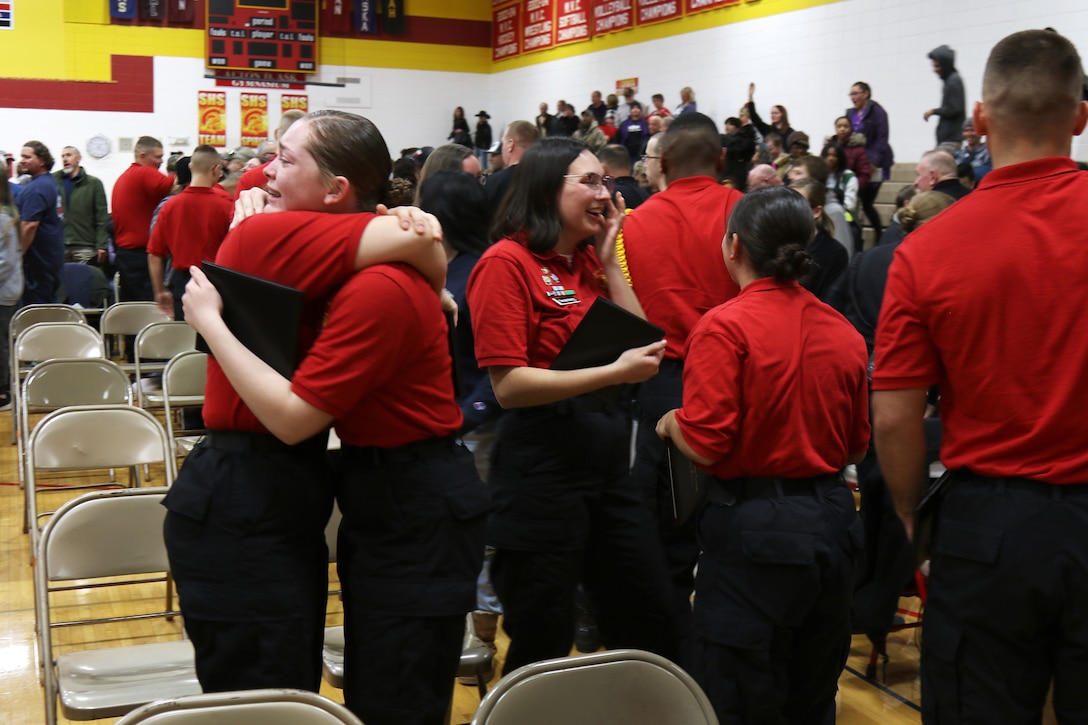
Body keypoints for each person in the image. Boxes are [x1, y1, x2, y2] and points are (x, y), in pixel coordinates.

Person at [162, 110, 449, 702]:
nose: (266, 170)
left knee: (282, 690)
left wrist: (416, 239)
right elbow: (425, 246)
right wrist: (209, 323)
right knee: (263, 697)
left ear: (336, 189)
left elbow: (424, 245)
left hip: (281, 482)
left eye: (286, 159)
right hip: (245, 483)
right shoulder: (261, 232)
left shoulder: (290, 237)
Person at [873, 29, 1088, 723]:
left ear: (980, 121)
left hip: (987, 526)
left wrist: (911, 513)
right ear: (1080, 117)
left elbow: (896, 415)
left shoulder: (927, 249)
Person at [657, 185, 868, 725]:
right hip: (832, 521)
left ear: (732, 247)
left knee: (738, 699)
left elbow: (707, 441)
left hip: (757, 533)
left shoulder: (725, 327)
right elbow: (855, 445)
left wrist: (670, 422)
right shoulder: (843, 333)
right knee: (814, 694)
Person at [467, 136, 679, 675]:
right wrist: (612, 373)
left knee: (651, 621)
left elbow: (646, 343)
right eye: (588, 180)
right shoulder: (505, 262)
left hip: (608, 471)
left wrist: (610, 261)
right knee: (544, 635)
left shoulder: (583, 262)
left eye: (605, 181)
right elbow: (508, 384)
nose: (604, 193)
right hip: (542, 473)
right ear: (544, 188)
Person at [617, 112, 744, 669]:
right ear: (721, 160)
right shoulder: (746, 211)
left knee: (667, 540)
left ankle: (667, 670)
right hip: (738, 383)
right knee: (732, 530)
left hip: (665, 389)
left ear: (660, 164)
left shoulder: (632, 225)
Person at [147, 145, 233, 320]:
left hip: (183, 284)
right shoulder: (227, 205)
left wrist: (160, 291)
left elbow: (154, 255)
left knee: (184, 340)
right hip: (216, 283)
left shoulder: (170, 207)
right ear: (217, 170)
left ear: (191, 167)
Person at [111, 136, 174, 302]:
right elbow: (174, 185)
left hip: (127, 255)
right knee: (149, 308)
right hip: (140, 256)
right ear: (143, 156)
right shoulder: (144, 172)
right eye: (158, 157)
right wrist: (183, 169)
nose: (161, 162)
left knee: (133, 308)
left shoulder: (126, 176)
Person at [15, 141, 65, 305]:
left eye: (27, 157)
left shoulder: (36, 188)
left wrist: (19, 253)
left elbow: (29, 225)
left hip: (38, 263)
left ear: (42, 160)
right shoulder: (49, 183)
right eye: (22, 156)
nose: (22, 160)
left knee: (38, 313)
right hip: (50, 260)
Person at [847, 82, 894, 238]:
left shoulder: (877, 112)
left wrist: (873, 161)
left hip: (875, 163)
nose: (853, 97)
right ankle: (857, 236)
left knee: (867, 203)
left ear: (866, 93)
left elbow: (882, 138)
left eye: (856, 93)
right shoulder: (849, 113)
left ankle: (879, 235)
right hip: (857, 163)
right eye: (851, 94)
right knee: (857, 203)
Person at [790, 178, 848, 300]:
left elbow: (831, 301)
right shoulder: (776, 243)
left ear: (816, 211)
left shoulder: (834, 252)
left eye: (797, 205)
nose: (788, 210)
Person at [53, 146, 109, 266]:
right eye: (63, 156)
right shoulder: (54, 180)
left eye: (69, 155)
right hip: (59, 244)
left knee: (84, 282)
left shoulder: (93, 184)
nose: (65, 159)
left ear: (79, 158)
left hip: (85, 245)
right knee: (60, 283)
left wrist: (102, 245)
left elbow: (102, 217)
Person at [0, 160, 24, 410]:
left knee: (2, 345)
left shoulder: (3, 217)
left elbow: (5, 263)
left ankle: (4, 393)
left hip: (3, 292)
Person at [924, 45, 966, 144]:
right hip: (948, 139)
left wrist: (934, 111)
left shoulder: (953, 81)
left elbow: (954, 108)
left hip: (950, 140)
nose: (934, 70)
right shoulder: (951, 80)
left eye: (937, 66)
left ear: (945, 65)